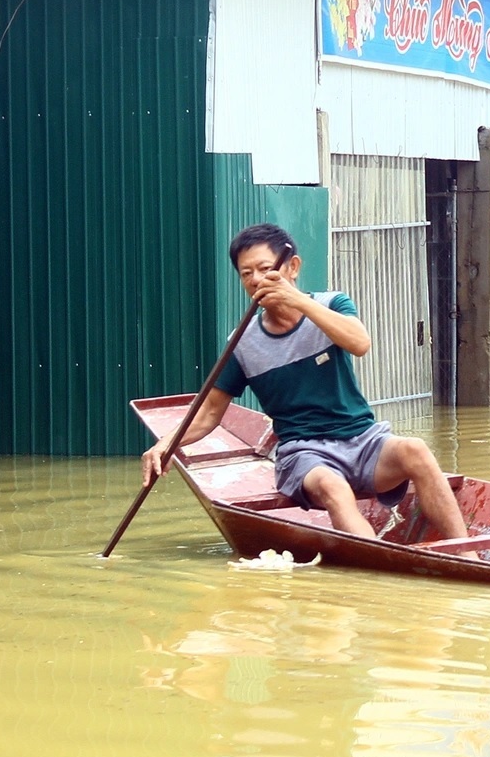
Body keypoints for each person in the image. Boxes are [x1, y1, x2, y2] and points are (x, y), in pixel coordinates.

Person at [141, 224, 471, 542]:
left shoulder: (331, 305)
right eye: (246, 274)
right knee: (333, 487)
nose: (256, 280)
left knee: (416, 450)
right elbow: (209, 412)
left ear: (292, 267)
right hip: (304, 453)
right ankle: (384, 569)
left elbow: (360, 343)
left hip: (361, 439)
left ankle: (466, 554)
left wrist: (298, 301)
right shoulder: (242, 342)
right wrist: (166, 445)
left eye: (265, 268)